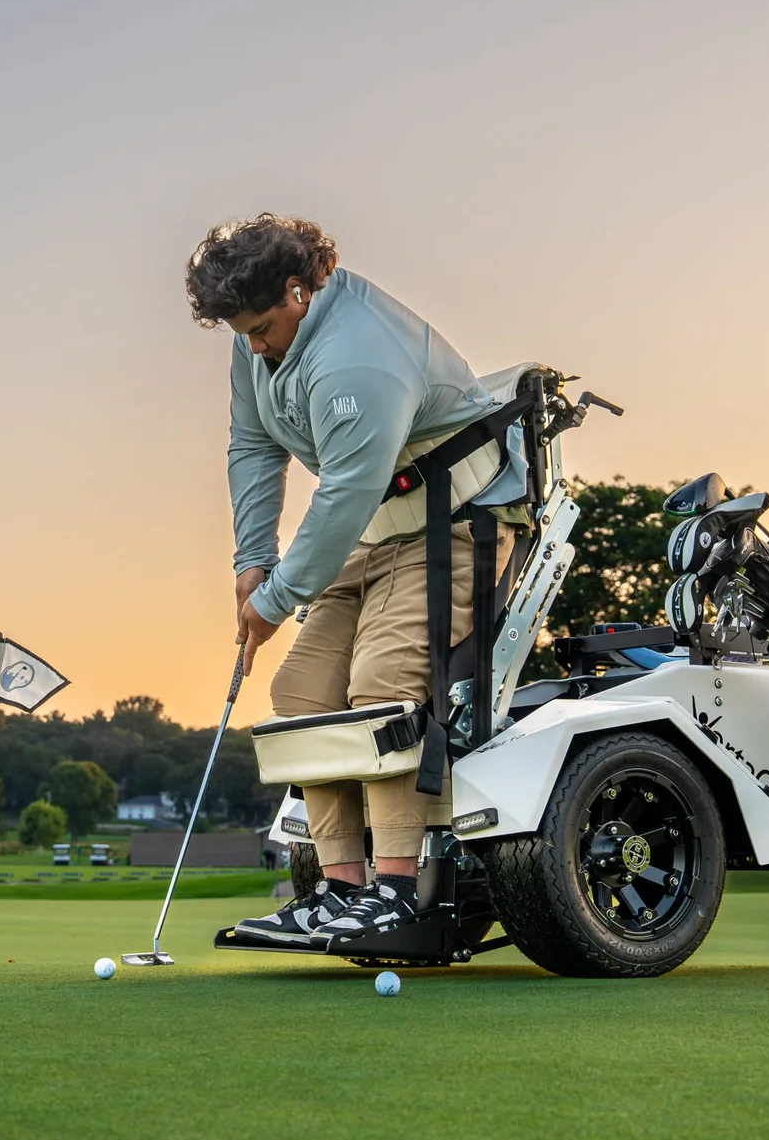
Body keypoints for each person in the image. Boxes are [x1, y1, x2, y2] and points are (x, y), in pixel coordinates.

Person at [187, 214, 520, 946]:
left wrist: (276, 601)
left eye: (261, 327)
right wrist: (251, 563)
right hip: (369, 538)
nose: (254, 346)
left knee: (380, 688)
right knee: (300, 695)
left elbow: (343, 490)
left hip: (455, 528)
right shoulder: (263, 345)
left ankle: (399, 894)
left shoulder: (358, 357)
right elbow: (252, 446)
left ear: (300, 291)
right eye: (240, 333)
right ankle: (339, 892)